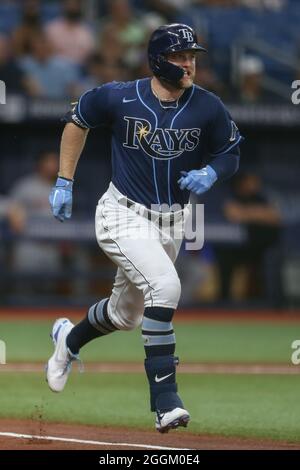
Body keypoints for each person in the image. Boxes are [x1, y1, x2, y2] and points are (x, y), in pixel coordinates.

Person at [46, 23, 242, 433]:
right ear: (157, 60)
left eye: (192, 56)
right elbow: (77, 119)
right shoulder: (119, 95)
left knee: (125, 315)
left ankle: (68, 339)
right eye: (179, 56)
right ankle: (165, 402)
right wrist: (65, 179)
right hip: (122, 213)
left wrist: (212, 171)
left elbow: (229, 152)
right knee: (166, 288)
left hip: (172, 222)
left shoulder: (207, 105)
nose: (189, 63)